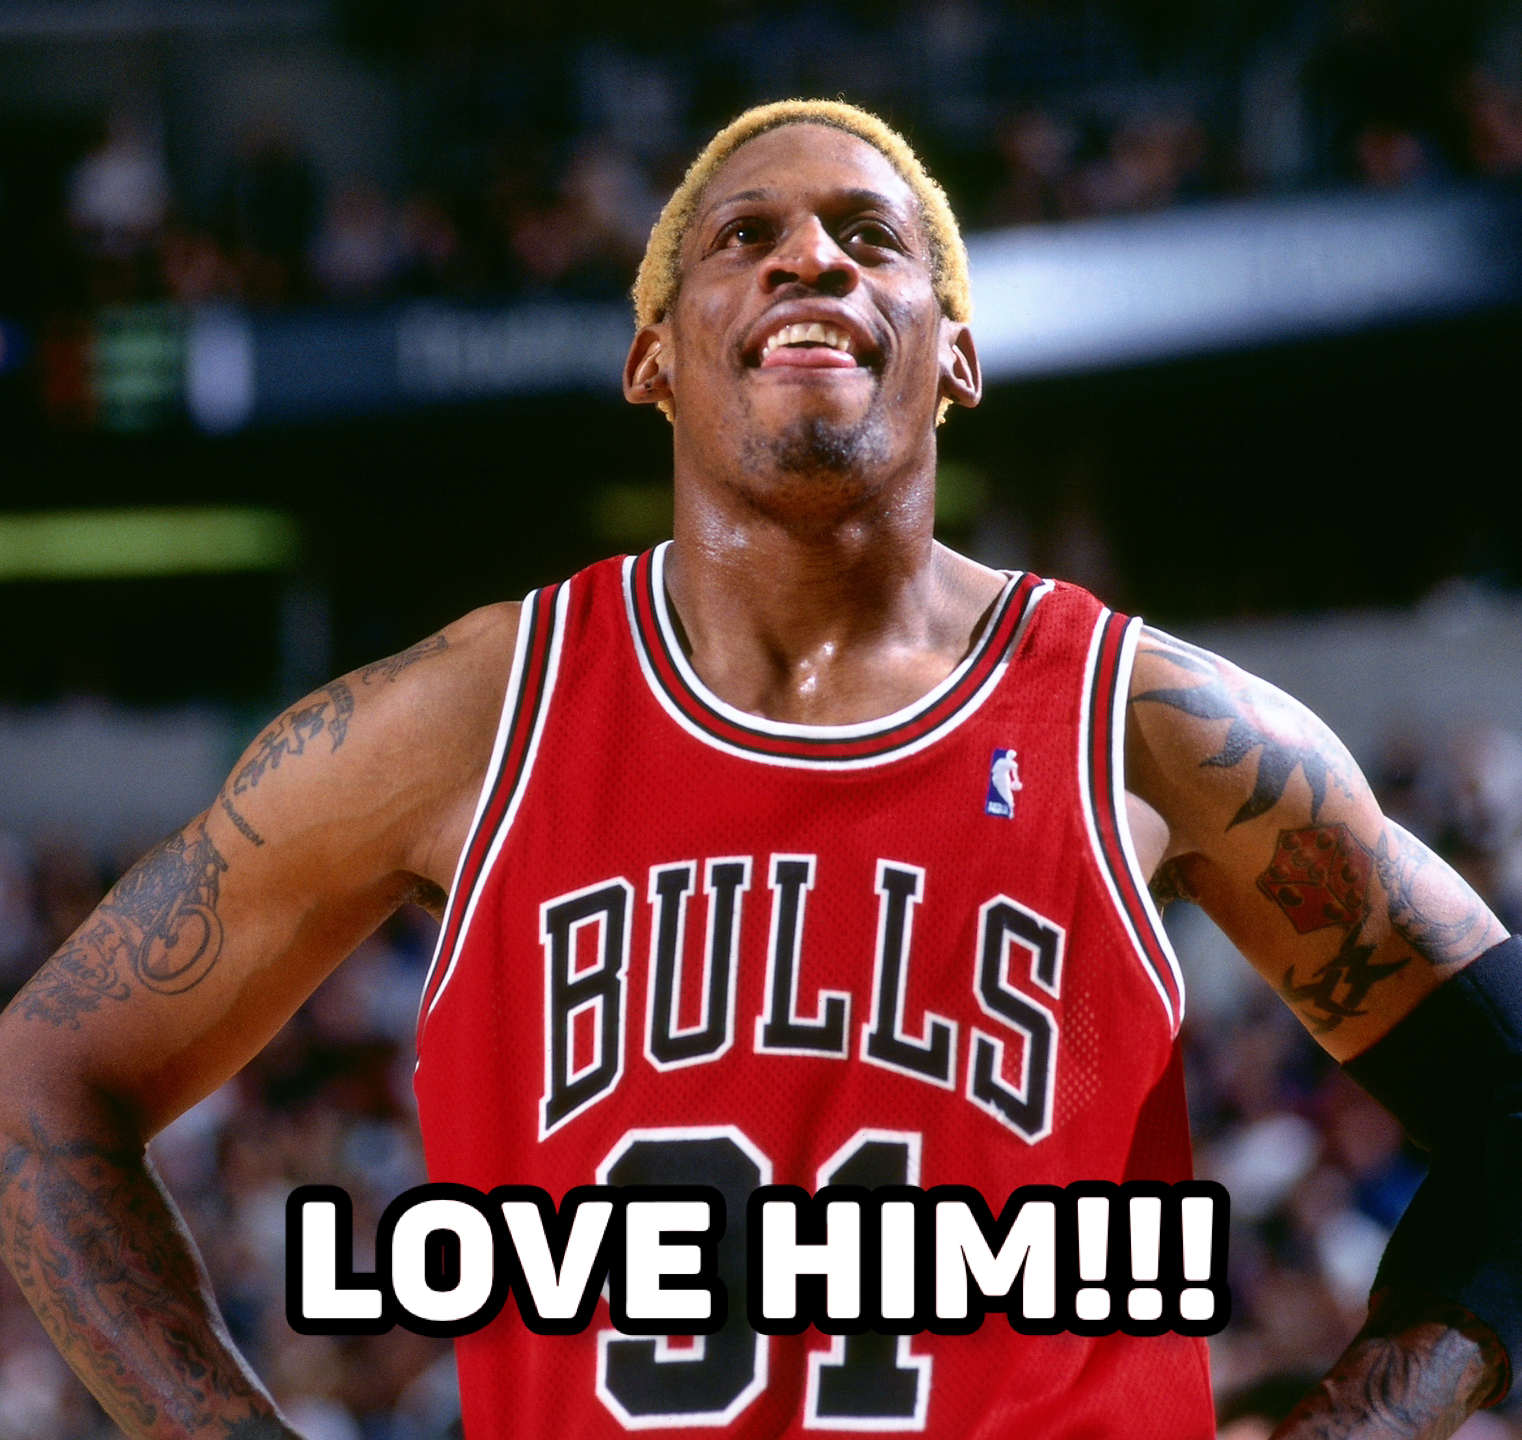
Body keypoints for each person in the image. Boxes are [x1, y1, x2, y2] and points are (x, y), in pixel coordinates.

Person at [0, 100, 1515, 1440]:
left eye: (871, 234)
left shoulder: (1151, 725)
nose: (811, 258)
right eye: (745, 235)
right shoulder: (467, 720)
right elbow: (41, 1078)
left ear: (957, 354)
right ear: (650, 355)